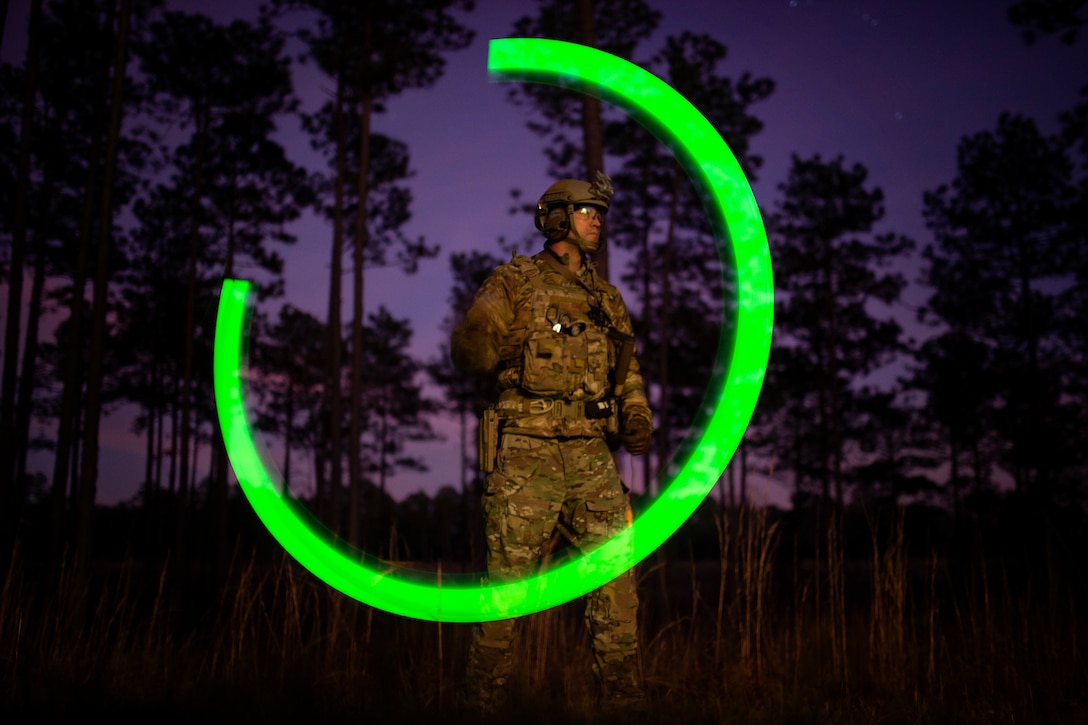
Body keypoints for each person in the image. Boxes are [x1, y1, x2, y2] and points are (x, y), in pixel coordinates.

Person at [450, 172, 653, 712]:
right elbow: (479, 336)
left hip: (590, 454)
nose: (597, 222)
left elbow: (627, 371)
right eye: (587, 211)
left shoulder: (606, 298)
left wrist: (635, 413)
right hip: (526, 451)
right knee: (506, 595)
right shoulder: (515, 281)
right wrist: (477, 340)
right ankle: (480, 705)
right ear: (557, 217)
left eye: (600, 214)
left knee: (617, 584)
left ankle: (624, 705)